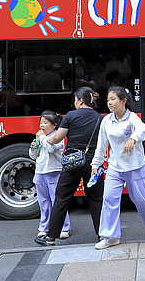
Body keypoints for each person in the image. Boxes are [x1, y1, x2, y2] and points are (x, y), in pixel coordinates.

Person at [91, 87, 145, 249]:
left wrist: (133, 138)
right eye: (108, 99)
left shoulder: (132, 118)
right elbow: (101, 145)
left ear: (123, 101)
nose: (109, 102)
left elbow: (143, 129)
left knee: (141, 199)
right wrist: (96, 164)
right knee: (109, 199)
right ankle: (110, 237)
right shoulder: (106, 121)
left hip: (135, 166)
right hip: (115, 168)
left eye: (113, 99)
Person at [35, 86, 105, 246]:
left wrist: (44, 138)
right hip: (94, 163)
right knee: (96, 199)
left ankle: (51, 237)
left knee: (62, 198)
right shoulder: (100, 118)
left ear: (80, 101)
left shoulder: (71, 116)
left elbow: (56, 139)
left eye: (75, 100)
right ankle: (102, 235)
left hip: (72, 162)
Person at [30, 110, 71, 240]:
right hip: (40, 172)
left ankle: (64, 228)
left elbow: (51, 148)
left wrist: (41, 138)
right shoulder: (40, 138)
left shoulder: (58, 137)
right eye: (41, 122)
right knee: (43, 203)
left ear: (54, 125)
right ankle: (44, 228)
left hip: (54, 172)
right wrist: (33, 147)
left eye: (45, 123)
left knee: (57, 201)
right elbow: (32, 156)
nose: (42, 125)